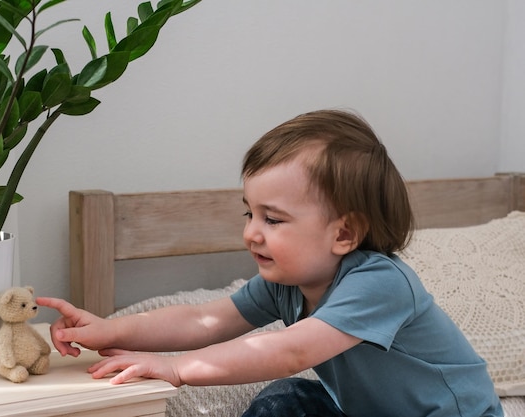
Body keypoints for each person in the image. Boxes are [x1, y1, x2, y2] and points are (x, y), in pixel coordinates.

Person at [37, 109, 503, 417]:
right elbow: (202, 319)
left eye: (274, 219)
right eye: (250, 213)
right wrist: (110, 330)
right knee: (285, 403)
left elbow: (288, 353)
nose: (251, 232)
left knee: (287, 382)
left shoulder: (380, 283)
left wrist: (176, 368)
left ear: (343, 233)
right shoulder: (287, 282)